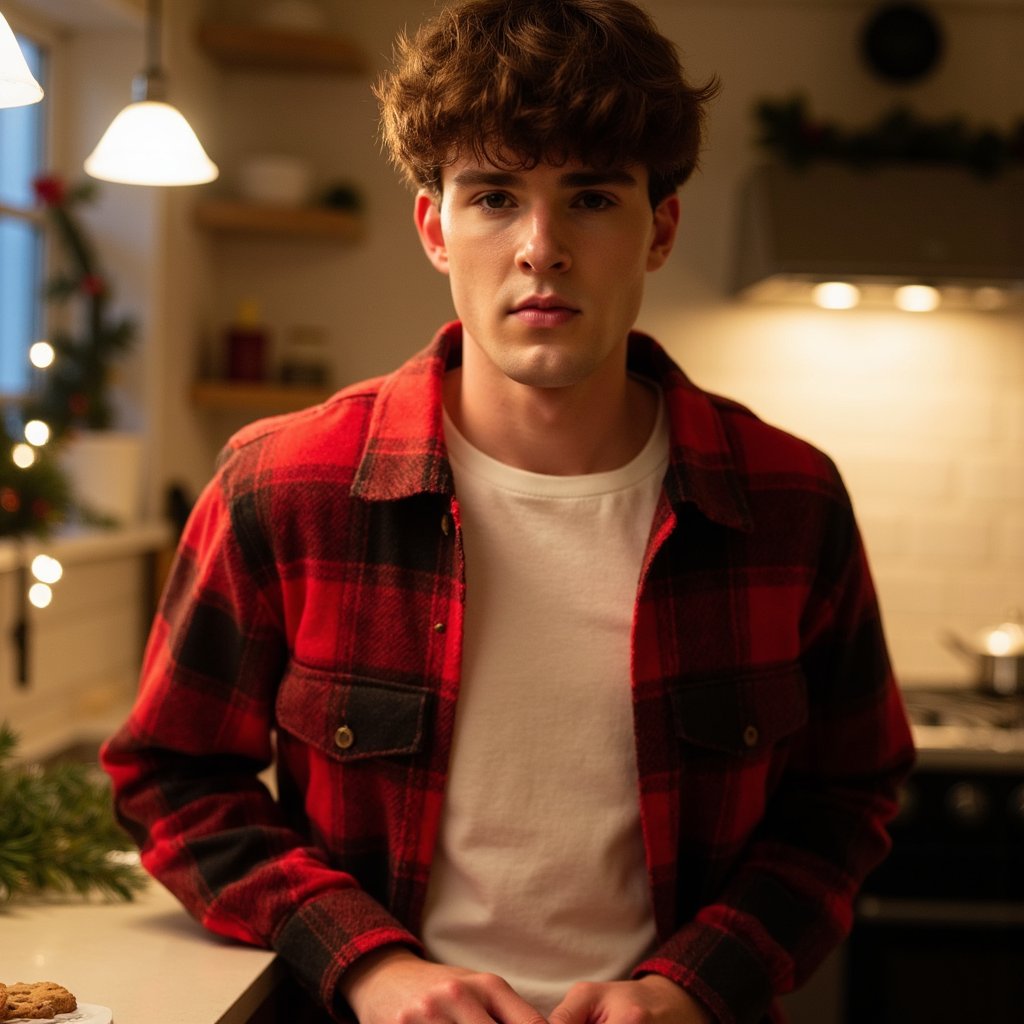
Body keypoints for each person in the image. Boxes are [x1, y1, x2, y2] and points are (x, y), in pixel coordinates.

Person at [101, 2, 915, 1022]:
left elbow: (846, 797)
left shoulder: (788, 500)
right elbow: (171, 776)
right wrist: (369, 965)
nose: (541, 246)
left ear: (657, 227)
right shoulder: (284, 483)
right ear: (435, 227)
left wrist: (689, 985)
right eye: (493, 196)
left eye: (590, 197)